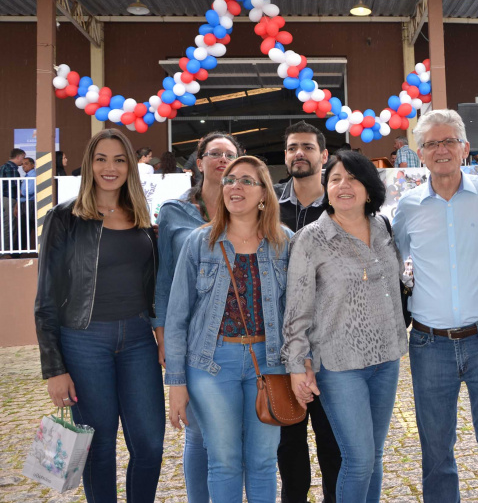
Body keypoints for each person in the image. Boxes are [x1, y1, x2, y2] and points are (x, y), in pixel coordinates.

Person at [34, 128, 164, 502]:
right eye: (101, 158)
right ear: (89, 164)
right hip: (84, 341)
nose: (110, 167)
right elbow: (45, 298)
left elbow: (153, 286)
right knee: (99, 445)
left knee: (150, 444)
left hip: (138, 339)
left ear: (130, 166)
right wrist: (54, 369)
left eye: (119, 159)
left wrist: (160, 334)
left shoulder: (142, 217)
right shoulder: (64, 218)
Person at [393, 109, 478, 503]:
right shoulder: (408, 207)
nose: (441, 149)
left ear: (464, 147)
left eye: (449, 141)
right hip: (430, 346)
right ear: (420, 153)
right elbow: (389, 258)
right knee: (436, 453)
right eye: (432, 143)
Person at [165, 155, 293, 503]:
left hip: (269, 363)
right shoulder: (199, 242)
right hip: (210, 363)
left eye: (247, 181)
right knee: (223, 461)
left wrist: (302, 365)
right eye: (230, 180)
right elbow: (177, 316)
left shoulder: (285, 242)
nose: (236, 186)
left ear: (265, 193)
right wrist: (176, 384)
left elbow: (297, 315)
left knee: (264, 462)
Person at [284, 150, 407, 502]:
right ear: (327, 188)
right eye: (335, 179)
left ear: (369, 188)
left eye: (352, 178)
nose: (343, 185)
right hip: (339, 366)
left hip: (387, 358)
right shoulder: (310, 239)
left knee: (375, 457)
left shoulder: (383, 227)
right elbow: (296, 310)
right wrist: (297, 366)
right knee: (358, 459)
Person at [155, 131, 242, 503]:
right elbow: (163, 277)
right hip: (191, 336)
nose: (222, 159)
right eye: (214, 153)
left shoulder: (246, 210)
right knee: (198, 433)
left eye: (229, 155)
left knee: (230, 437)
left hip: (238, 335)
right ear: (200, 162)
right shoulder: (174, 212)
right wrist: (163, 337)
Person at [273, 121, 342, 503]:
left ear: (324, 155)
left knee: (333, 445)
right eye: (292, 148)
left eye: (308, 147)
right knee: (289, 444)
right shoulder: (268, 205)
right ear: (285, 156)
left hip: (331, 345)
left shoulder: (340, 206)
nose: (299, 153)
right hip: (284, 345)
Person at [1, 148, 25, 254]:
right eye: (23, 158)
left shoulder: (3, 167)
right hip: (9, 199)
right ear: (18, 157)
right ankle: (6, 252)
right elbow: (15, 186)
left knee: (5, 225)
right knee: (9, 226)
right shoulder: (12, 168)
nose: (23, 161)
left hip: (3, 198)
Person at [19, 157, 36, 253]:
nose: (23, 166)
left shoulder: (33, 175)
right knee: (24, 227)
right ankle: (18, 251)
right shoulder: (27, 176)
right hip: (24, 203)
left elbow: (29, 191)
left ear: (32, 165)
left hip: (30, 204)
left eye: (26, 163)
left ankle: (17, 252)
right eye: (22, 164)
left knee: (28, 226)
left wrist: (21, 192)